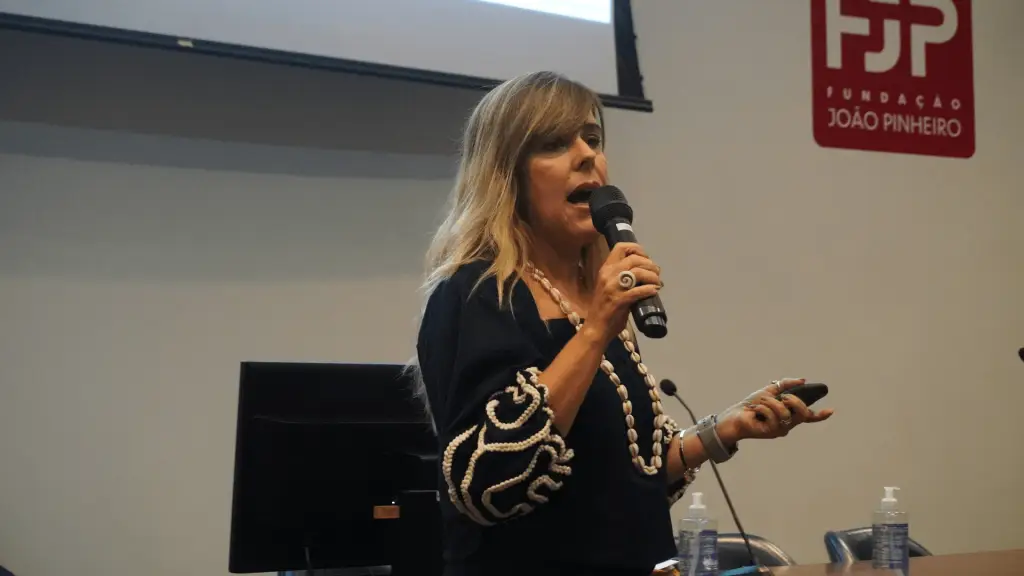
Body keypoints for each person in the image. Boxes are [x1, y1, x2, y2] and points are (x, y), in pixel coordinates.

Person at [411, 71, 835, 576]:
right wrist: (596, 330)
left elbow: (625, 476)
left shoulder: (592, 299)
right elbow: (484, 485)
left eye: (592, 139)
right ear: (507, 174)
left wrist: (727, 428)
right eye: (554, 143)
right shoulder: (476, 295)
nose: (586, 155)